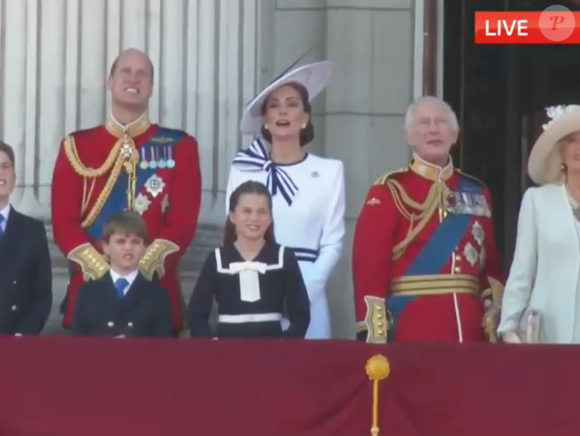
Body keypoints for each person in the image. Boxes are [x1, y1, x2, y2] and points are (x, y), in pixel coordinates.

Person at [50, 48, 202, 335]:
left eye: (142, 74)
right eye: (126, 72)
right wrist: (102, 271)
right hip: (90, 295)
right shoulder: (76, 147)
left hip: (154, 297)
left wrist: (138, 269)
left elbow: (183, 222)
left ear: (151, 88)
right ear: (110, 82)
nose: (134, 78)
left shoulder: (180, 146)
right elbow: (63, 222)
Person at [352, 96, 505, 343]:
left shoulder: (477, 192)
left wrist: (494, 308)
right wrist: (373, 331)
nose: (434, 129)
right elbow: (369, 267)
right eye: (424, 123)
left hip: (469, 328)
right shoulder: (389, 190)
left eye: (441, 122)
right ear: (409, 136)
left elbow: (490, 263)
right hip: (412, 326)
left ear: (454, 135)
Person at [225, 59, 344, 340]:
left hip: (308, 293)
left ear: (305, 117)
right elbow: (231, 237)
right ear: (265, 119)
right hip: (250, 291)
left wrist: (301, 293)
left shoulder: (329, 171)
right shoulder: (243, 170)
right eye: (274, 105)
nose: (282, 111)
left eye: (292, 104)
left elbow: (332, 244)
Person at [498, 105, 580, 344]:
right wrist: (509, 327)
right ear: (560, 153)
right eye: (572, 141)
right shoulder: (538, 200)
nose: (579, 147)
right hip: (547, 336)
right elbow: (523, 268)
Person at [188, 181, 310, 339]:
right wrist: (213, 346)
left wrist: (285, 345)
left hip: (272, 352)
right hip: (227, 353)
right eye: (246, 211)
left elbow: (301, 314)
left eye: (262, 212)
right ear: (233, 216)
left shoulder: (284, 257)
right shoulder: (217, 259)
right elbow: (196, 314)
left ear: (270, 217)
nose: (254, 218)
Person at [72, 211, 173, 337]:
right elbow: (78, 345)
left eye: (135, 242)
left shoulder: (158, 295)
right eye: (121, 241)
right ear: (106, 247)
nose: (128, 247)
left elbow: (162, 348)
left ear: (144, 248)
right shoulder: (88, 293)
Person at [0, 141, 52, 336]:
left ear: (14, 177)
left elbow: (42, 294)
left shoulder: (32, 230)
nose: (1, 173)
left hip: (16, 341)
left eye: (5, 167)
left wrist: (24, 335)